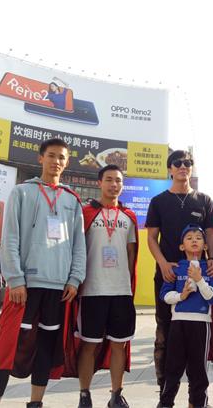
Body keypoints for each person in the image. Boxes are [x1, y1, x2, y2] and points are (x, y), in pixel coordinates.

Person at [0, 138, 86, 408]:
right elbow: (10, 237)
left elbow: (79, 244)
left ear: (67, 162)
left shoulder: (72, 200)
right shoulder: (21, 192)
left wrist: (75, 278)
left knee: (46, 347)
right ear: (41, 158)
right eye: (51, 155)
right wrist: (15, 279)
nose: (56, 161)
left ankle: (35, 403)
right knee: (8, 347)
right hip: (25, 287)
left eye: (61, 157)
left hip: (58, 288)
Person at [145, 149, 213, 393]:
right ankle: (165, 390)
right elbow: (152, 238)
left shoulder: (204, 200)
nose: (183, 166)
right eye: (177, 163)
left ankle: (197, 394)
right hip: (168, 275)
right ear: (170, 169)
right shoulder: (158, 201)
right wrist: (163, 263)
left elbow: (211, 233)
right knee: (165, 332)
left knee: (199, 334)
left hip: (199, 276)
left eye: (187, 163)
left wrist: (212, 259)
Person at [77, 164, 138, 408]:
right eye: (109, 179)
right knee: (89, 345)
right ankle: (84, 394)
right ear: (99, 183)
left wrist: (127, 282)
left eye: (118, 181)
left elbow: (131, 254)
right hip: (92, 290)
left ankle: (116, 394)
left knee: (119, 345)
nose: (114, 185)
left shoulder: (129, 217)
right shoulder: (85, 213)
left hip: (121, 291)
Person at [158, 224, 213, 408]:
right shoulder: (177, 268)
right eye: (189, 238)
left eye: (199, 238)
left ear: (205, 246)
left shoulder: (210, 269)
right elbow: (164, 295)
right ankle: (165, 403)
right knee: (173, 367)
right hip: (178, 323)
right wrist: (181, 296)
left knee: (198, 370)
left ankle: (198, 403)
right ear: (181, 246)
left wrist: (199, 279)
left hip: (201, 324)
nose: (194, 241)